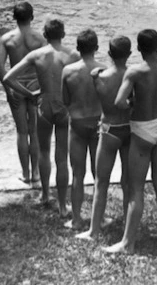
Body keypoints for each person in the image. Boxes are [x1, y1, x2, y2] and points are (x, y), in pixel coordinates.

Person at [104, 29, 157, 254]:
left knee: (136, 189)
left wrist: (133, 103)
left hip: (143, 129)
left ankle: (128, 243)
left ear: (139, 48)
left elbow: (119, 101)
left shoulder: (135, 72)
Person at [3, 19, 80, 216]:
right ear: (63, 34)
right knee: (62, 157)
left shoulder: (36, 55)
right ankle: (63, 206)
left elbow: (8, 77)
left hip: (43, 106)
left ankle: (45, 195)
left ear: (45, 36)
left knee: (44, 152)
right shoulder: (72, 55)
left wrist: (29, 94)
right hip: (62, 106)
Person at [79, 36, 132, 240]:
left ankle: (93, 231)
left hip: (109, 129)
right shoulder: (132, 76)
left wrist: (95, 76)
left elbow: (101, 98)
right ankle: (128, 224)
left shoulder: (100, 78)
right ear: (129, 54)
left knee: (101, 182)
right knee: (127, 181)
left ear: (109, 54)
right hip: (128, 128)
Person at [0, 2, 46, 185]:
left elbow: (0, 67)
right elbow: (46, 65)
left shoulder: (6, 39)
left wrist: (8, 90)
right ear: (32, 17)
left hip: (15, 86)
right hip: (35, 87)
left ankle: (25, 174)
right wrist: (43, 90)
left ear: (14, 18)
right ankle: (36, 174)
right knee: (34, 131)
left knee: (22, 131)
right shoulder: (40, 39)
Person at [62, 29, 105, 231]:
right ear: (96, 48)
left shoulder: (68, 71)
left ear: (77, 48)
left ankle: (77, 219)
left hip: (77, 124)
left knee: (77, 174)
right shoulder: (104, 70)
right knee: (99, 175)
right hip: (97, 124)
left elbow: (65, 100)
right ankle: (99, 218)